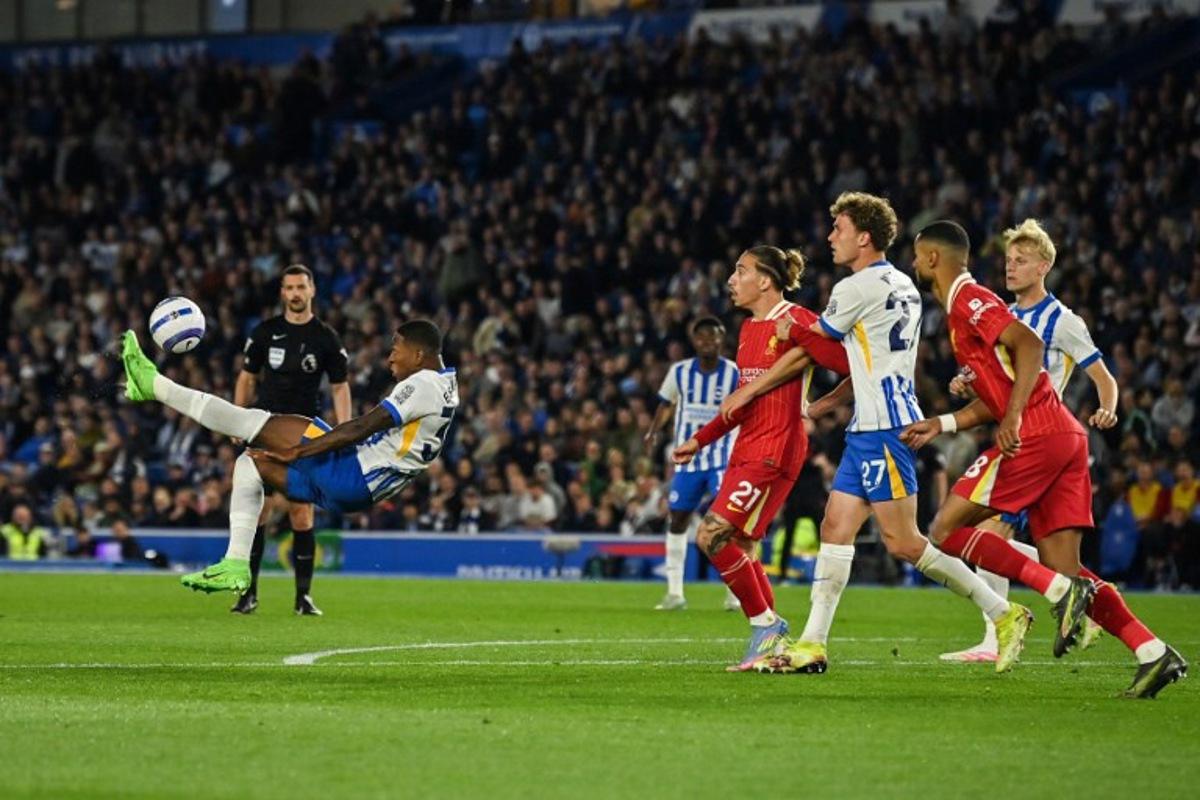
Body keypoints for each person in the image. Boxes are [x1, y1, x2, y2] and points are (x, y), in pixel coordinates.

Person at [729, 193, 1034, 676]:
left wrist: (789, 326)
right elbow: (872, 359)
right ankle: (812, 643)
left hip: (885, 429)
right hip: (868, 425)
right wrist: (831, 401)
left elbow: (822, 343)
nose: (831, 237)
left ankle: (1004, 612)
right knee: (835, 528)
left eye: (839, 229)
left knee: (905, 542)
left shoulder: (855, 288)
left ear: (863, 237)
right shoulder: (903, 285)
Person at [902, 219, 1186, 698]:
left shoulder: (972, 300)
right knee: (1065, 566)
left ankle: (1054, 598)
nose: (912, 264)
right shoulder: (974, 308)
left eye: (915, 255)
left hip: (1033, 434)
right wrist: (943, 423)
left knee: (945, 530)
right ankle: (1152, 651)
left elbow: (1031, 347)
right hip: (1060, 437)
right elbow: (997, 392)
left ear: (932, 258)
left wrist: (1013, 418)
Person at [119, 319, 458, 597]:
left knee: (250, 422)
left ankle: (153, 385)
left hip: (353, 470)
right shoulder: (446, 385)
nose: (390, 358)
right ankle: (236, 565)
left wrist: (300, 451)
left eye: (395, 348)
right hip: (357, 489)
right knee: (250, 463)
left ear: (418, 354)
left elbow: (362, 426)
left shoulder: (423, 383)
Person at [941, 219, 1117, 662]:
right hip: (1017, 435)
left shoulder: (1064, 321)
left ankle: (999, 632)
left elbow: (1102, 375)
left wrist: (1107, 406)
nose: (1010, 268)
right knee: (1031, 546)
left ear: (1043, 267)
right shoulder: (1003, 314)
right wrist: (967, 382)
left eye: (1021, 261)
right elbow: (992, 373)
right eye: (1007, 260)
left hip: (1042, 438)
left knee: (983, 532)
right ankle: (1087, 592)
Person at [671, 245, 850, 671]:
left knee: (711, 536)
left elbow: (845, 361)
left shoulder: (798, 319)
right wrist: (702, 438)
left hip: (774, 450)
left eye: (741, 271)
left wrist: (802, 340)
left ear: (765, 280)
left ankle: (766, 624)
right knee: (744, 547)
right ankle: (772, 643)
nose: (732, 280)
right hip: (747, 446)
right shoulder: (751, 330)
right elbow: (742, 402)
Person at [233, 264, 352, 617]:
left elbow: (340, 386)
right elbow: (246, 378)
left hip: (305, 435)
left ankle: (303, 598)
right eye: (289, 288)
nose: (296, 293)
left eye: (301, 287)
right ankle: (247, 594)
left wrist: (343, 430)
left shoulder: (326, 338)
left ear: (312, 290)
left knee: (302, 514)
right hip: (265, 429)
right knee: (258, 513)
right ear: (282, 293)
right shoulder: (265, 332)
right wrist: (238, 418)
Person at [643, 316, 739, 611]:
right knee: (678, 520)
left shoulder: (734, 372)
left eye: (713, 337)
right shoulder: (680, 372)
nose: (707, 342)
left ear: (721, 340)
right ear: (694, 341)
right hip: (687, 460)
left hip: (722, 458)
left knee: (728, 523)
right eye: (702, 338)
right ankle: (675, 593)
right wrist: (653, 431)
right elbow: (666, 404)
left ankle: (735, 594)